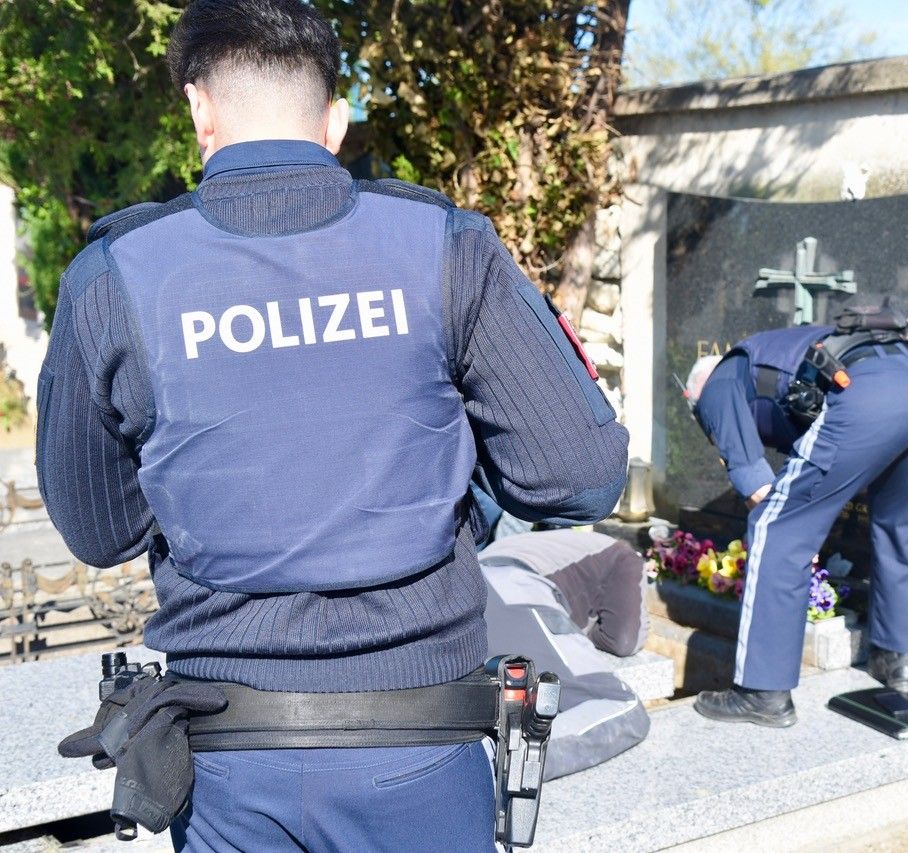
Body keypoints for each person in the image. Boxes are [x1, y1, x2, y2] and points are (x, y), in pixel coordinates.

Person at [36, 1, 628, 849]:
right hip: (420, 743)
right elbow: (581, 475)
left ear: (200, 110)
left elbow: (98, 530)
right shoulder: (442, 243)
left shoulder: (115, 275)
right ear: (336, 121)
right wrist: (462, 498)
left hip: (227, 760)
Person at [686, 307, 908, 727]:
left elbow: (761, 494)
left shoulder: (721, 381)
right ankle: (897, 665)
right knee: (896, 519)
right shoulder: (771, 357)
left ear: (694, 395)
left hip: (872, 394)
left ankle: (763, 691)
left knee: (775, 528)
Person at [478, 530, 651, 778]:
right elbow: (624, 640)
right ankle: (501, 764)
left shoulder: (564, 545)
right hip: (514, 587)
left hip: (475, 584)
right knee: (620, 708)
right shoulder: (626, 555)